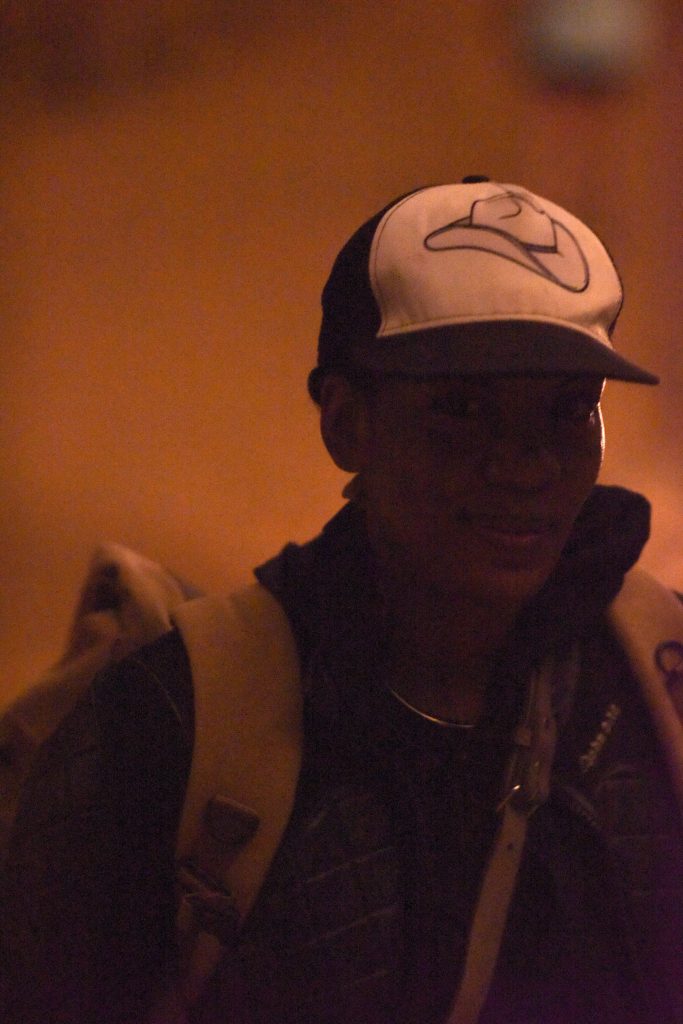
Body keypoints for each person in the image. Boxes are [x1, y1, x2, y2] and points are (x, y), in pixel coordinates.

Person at [1, 177, 682, 1024]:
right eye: (463, 408)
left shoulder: (653, 684)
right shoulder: (172, 725)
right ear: (345, 422)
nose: (525, 465)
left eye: (569, 408)